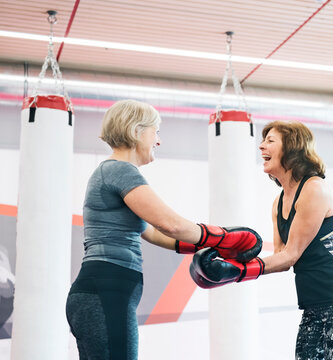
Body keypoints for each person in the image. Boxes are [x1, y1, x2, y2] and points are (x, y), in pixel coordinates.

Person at [65, 99, 262, 360]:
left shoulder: (111, 172)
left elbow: (155, 233)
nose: (157, 140)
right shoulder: (120, 171)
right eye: (155, 131)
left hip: (101, 292)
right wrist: (225, 238)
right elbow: (170, 224)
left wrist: (213, 245)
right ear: (136, 131)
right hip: (105, 291)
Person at [190, 120, 333, 359]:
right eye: (263, 140)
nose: (261, 146)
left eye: (270, 141)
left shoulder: (314, 189)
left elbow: (291, 254)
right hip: (313, 301)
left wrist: (237, 272)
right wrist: (234, 260)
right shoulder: (278, 203)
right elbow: (281, 257)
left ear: (292, 148)